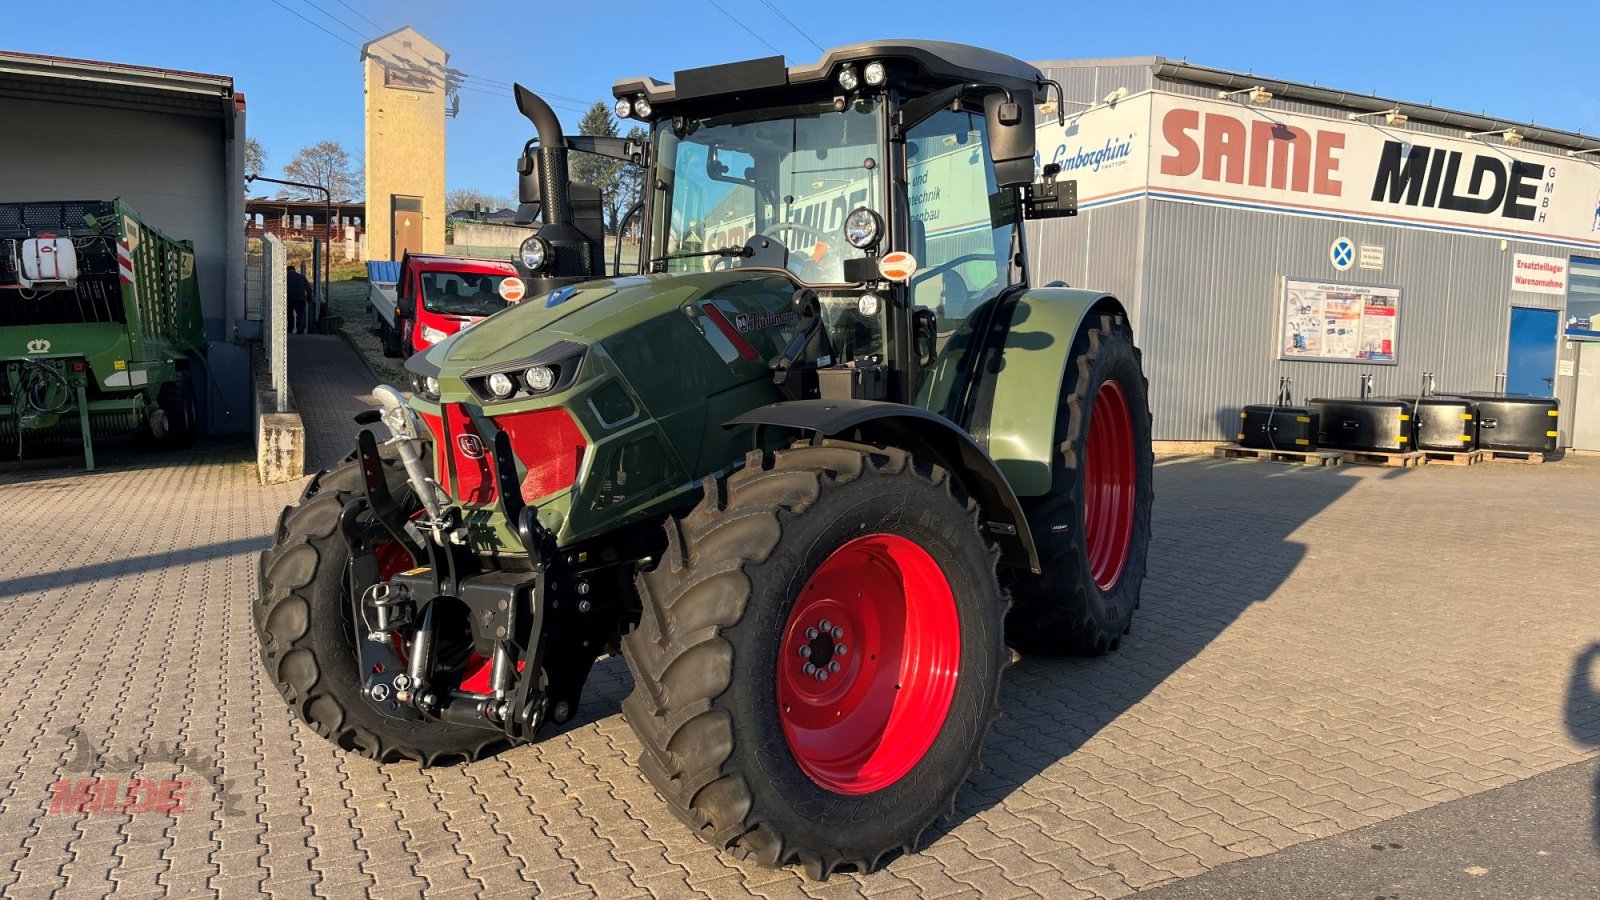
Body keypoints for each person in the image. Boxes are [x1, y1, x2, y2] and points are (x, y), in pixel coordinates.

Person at [286, 264, 311, 334]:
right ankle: (300, 330)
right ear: (295, 270)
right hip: (301, 298)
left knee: (289, 314)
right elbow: (308, 287)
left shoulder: (285, 277)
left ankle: (290, 330)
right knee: (300, 314)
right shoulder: (301, 277)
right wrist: (309, 297)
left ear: (287, 271)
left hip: (289, 298)